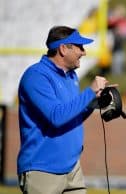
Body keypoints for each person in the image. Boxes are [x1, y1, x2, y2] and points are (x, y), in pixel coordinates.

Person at [17, 26, 111, 194]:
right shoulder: (36, 76)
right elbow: (56, 116)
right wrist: (89, 92)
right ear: (63, 49)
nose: (84, 52)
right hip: (42, 170)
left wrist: (94, 102)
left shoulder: (71, 76)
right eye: (80, 47)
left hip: (72, 168)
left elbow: (71, 116)